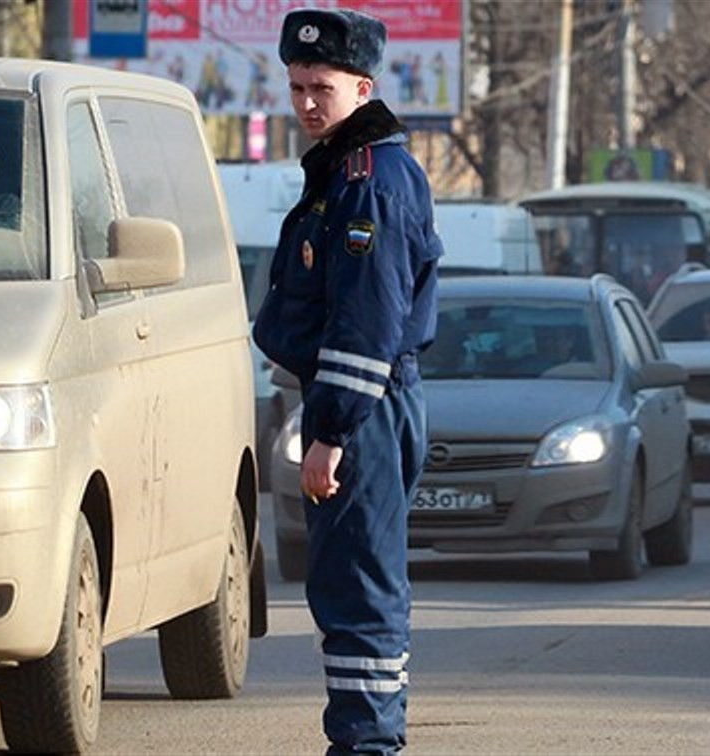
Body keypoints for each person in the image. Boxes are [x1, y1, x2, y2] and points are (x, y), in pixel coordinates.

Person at [252, 8, 442, 753]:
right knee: (346, 584)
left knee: (359, 590)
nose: (304, 102)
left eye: (319, 87)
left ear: (361, 87)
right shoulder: (345, 169)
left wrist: (328, 430)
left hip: (363, 407)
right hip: (359, 402)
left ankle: (366, 745)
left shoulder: (370, 181)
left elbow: (364, 321)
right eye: (296, 86)